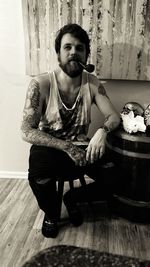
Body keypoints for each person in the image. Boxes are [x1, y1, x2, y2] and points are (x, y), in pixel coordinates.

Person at [21, 23, 120, 238]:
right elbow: (27, 130)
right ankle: (52, 213)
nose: (74, 52)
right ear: (58, 53)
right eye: (67, 47)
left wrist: (102, 131)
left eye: (79, 48)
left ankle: (72, 198)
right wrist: (66, 146)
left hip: (82, 145)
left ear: (86, 55)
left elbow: (114, 116)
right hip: (49, 146)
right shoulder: (41, 83)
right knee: (38, 175)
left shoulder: (92, 83)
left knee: (116, 174)